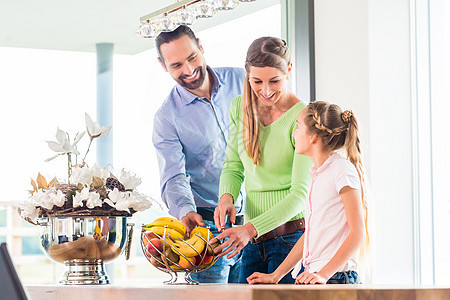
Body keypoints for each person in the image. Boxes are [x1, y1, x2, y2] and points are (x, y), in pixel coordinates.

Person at [209, 36, 312, 284]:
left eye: (274, 81)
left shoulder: (304, 116)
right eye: (257, 81)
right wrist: (226, 198)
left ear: (289, 70)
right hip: (253, 241)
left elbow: (300, 193)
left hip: (290, 240)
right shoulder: (239, 107)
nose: (266, 91)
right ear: (247, 75)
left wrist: (250, 229)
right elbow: (233, 166)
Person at [152, 25, 246, 283]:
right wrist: (184, 210)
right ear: (164, 66)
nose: (189, 70)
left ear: (201, 48)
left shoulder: (243, 81)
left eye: (192, 57)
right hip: (208, 228)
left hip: (259, 219)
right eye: (176, 65)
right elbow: (173, 175)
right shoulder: (167, 117)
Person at [247, 101, 369, 285]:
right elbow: (310, 235)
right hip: (315, 276)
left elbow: (358, 233)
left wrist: (324, 274)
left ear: (313, 137)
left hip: (336, 279)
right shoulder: (317, 174)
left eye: (298, 126)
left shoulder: (342, 170)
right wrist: (276, 275)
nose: (294, 134)